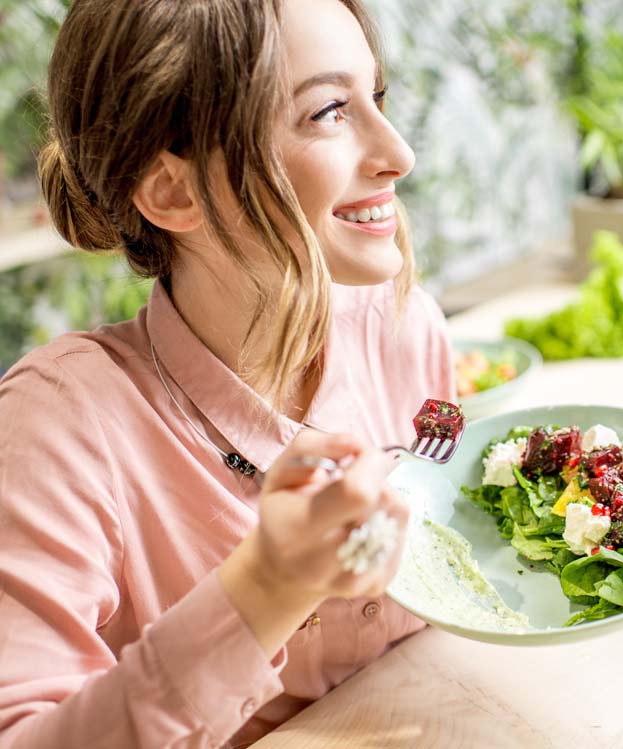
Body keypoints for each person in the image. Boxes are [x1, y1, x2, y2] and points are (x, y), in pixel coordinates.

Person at [0, 1, 455, 747]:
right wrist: (268, 586)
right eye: (330, 112)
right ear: (172, 191)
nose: (400, 153)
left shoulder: (405, 327)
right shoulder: (58, 424)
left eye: (375, 97)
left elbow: (449, 486)